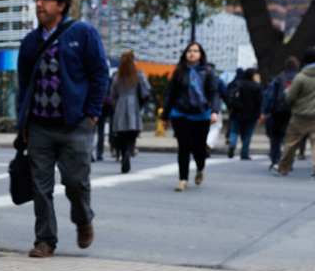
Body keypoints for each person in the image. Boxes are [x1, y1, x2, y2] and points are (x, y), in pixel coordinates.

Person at [15, 0, 108, 259]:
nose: (39, 4)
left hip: (75, 125)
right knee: (40, 187)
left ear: (62, 4)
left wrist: (91, 115)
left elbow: (99, 76)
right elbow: (23, 84)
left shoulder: (84, 33)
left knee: (76, 182)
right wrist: (23, 124)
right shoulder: (30, 41)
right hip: (39, 126)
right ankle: (45, 241)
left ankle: (83, 220)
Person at [161, 42, 220, 191]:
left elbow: (214, 93)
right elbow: (171, 94)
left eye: (195, 51)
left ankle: (200, 168)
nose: (192, 53)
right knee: (184, 147)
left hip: (201, 115)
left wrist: (215, 111)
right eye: (189, 51)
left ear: (201, 54)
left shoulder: (207, 71)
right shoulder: (179, 71)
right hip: (180, 113)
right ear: (185, 54)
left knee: (199, 148)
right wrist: (164, 116)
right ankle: (183, 179)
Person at [274, 47, 315, 178]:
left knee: (291, 143)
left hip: (300, 116)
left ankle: (283, 168)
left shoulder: (301, 77)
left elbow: (290, 97)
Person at [109, 51, 151, 174]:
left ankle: (123, 154)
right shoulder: (138, 74)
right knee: (132, 135)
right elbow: (147, 88)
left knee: (122, 135)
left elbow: (113, 92)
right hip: (134, 106)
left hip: (121, 106)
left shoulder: (118, 75)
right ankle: (128, 153)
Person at [259, 56, 299, 169]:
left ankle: (275, 159)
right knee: (291, 138)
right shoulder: (299, 77)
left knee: (275, 137)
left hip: (278, 111)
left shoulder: (279, 78)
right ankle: (288, 161)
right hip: (294, 112)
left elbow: (269, 96)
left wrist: (264, 112)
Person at [226, 68, 263, 160]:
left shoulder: (237, 83)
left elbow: (229, 96)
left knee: (234, 131)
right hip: (250, 114)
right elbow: (259, 102)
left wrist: (230, 107)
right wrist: (259, 114)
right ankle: (244, 153)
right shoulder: (256, 86)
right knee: (247, 134)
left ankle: (232, 144)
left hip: (236, 112)